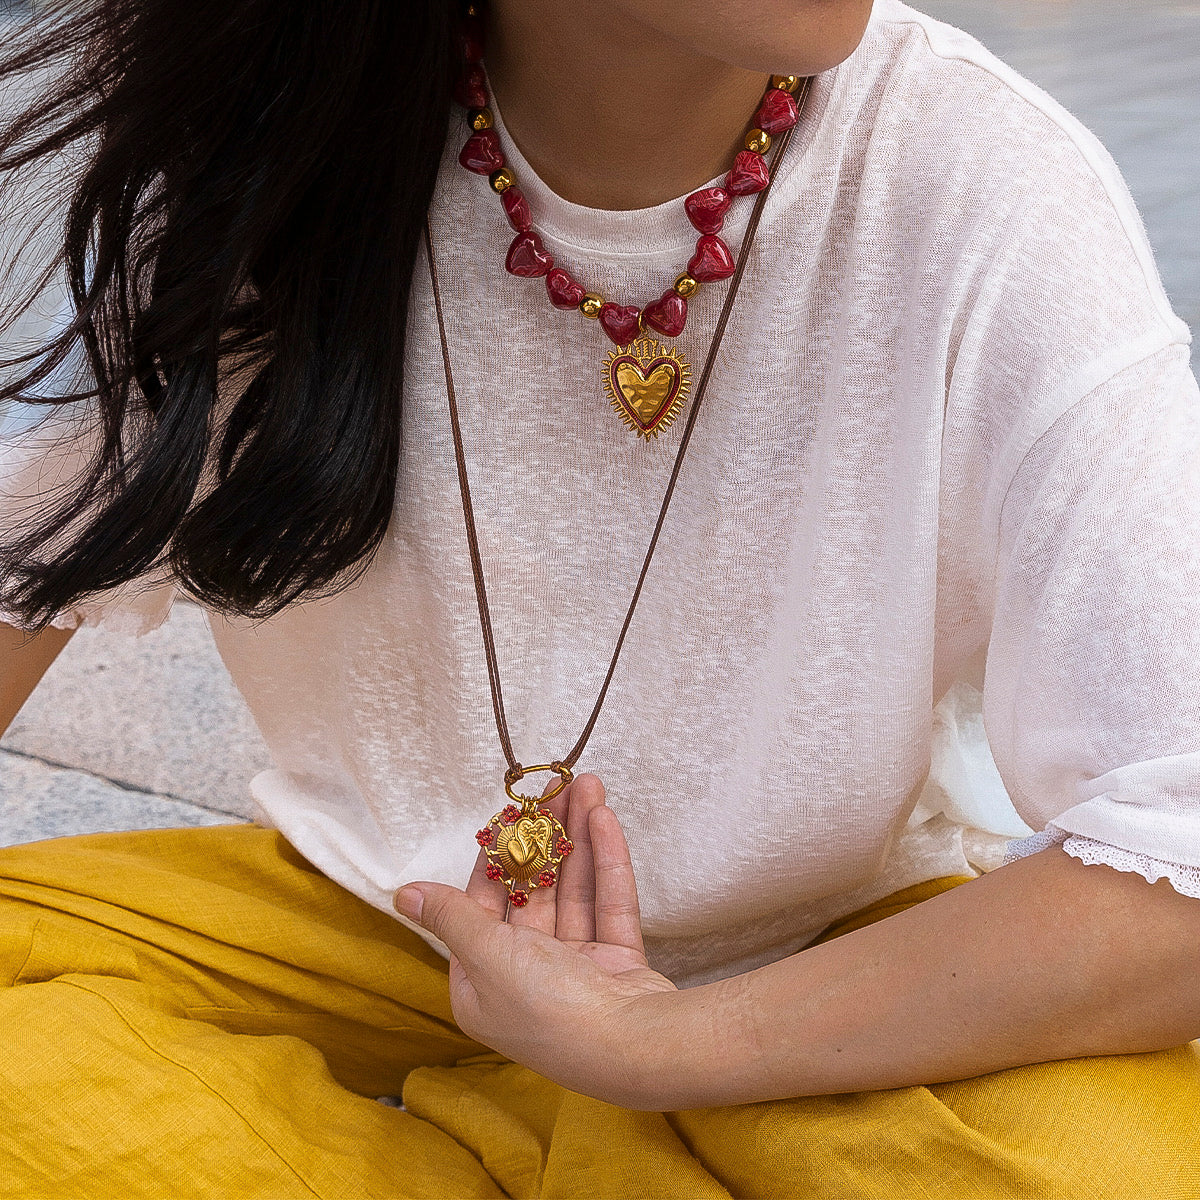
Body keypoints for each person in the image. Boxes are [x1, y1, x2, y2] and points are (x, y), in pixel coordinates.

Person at [1, 0, 1198, 1194]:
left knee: (1115, 1169)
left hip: (829, 973)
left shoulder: (984, 184)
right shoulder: (236, 134)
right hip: (364, 930)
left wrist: (653, 1045)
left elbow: (1180, 856)